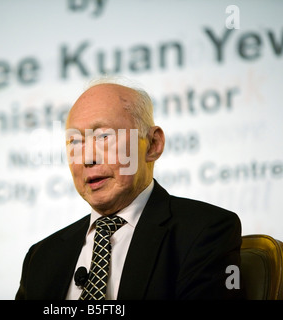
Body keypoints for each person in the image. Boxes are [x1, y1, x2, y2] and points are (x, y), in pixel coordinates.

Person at [15, 78, 243, 300]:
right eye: (75, 142)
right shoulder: (41, 257)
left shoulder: (206, 231)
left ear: (153, 144)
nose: (87, 158)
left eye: (104, 136)